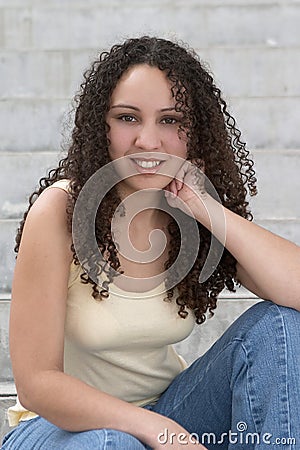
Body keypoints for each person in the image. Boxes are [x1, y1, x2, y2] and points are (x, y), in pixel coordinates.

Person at [1, 36, 300, 450]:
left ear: (194, 132)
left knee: (282, 327)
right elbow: (37, 385)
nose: (148, 141)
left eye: (170, 120)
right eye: (127, 118)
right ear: (100, 126)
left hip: (166, 409)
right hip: (57, 430)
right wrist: (161, 432)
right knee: (111, 444)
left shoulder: (186, 218)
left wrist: (203, 207)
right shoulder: (62, 211)